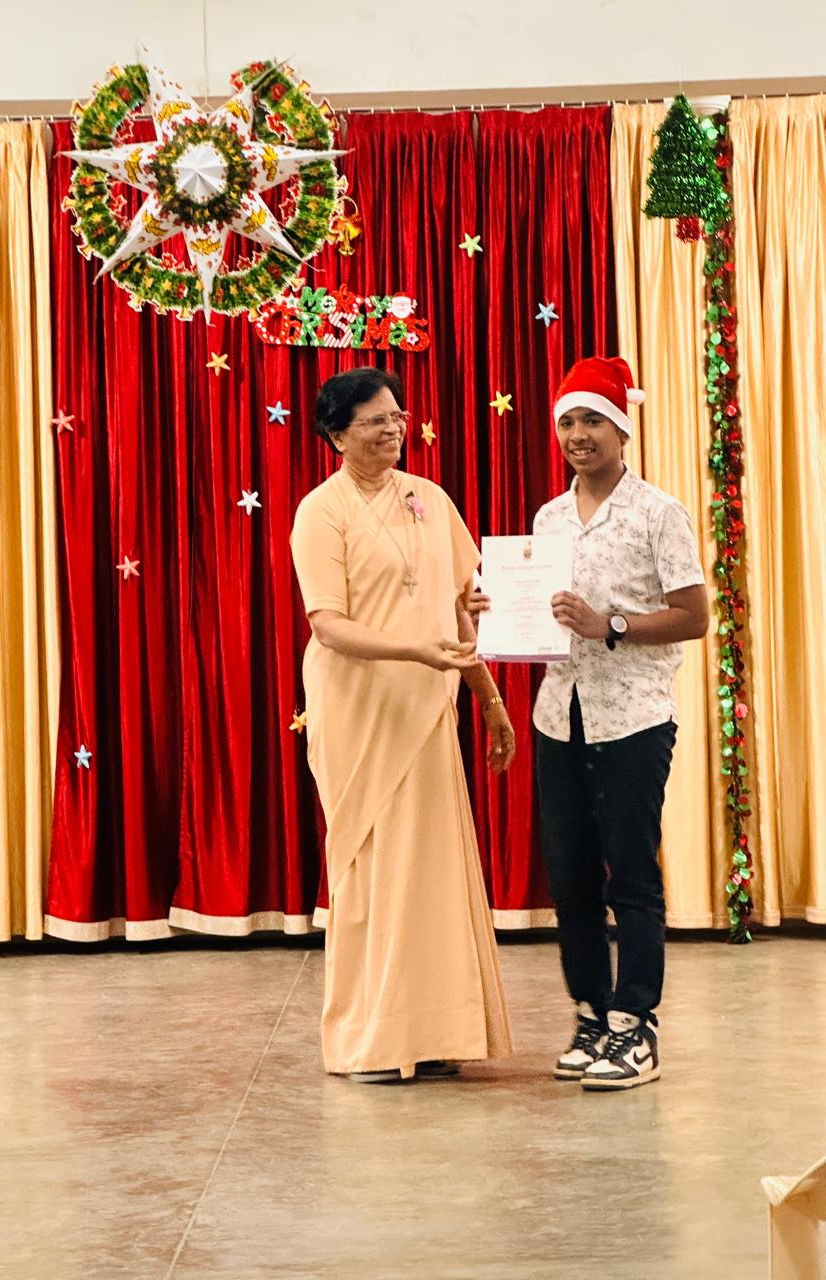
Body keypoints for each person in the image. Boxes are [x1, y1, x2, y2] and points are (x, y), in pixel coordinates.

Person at [468, 356, 708, 1091]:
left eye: (593, 420)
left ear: (622, 430)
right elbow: (536, 618)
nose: (578, 434)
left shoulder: (658, 512)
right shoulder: (547, 519)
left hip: (633, 717)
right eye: (567, 421)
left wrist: (611, 624)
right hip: (558, 715)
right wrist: (490, 612)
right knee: (570, 874)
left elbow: (694, 616)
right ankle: (591, 1015)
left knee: (629, 871)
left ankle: (636, 1023)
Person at [290, 366, 515, 1084]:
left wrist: (489, 700)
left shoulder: (431, 499)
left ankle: (437, 1033)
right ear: (336, 436)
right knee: (374, 870)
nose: (393, 429)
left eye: (397, 416)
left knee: (432, 872)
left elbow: (460, 609)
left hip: (427, 707)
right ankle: (371, 1041)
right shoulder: (320, 512)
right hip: (358, 709)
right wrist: (417, 650)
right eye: (375, 421)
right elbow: (328, 626)